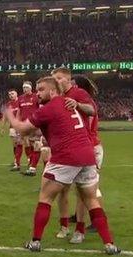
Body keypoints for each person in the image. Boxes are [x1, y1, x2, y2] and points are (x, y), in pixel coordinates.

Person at [5, 77, 120, 255]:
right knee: (91, 200)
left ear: (52, 91)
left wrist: (10, 115)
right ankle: (109, 244)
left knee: (45, 197)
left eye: (41, 89)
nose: (37, 93)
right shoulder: (68, 103)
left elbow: (22, 129)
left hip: (66, 156)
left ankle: (35, 241)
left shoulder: (49, 107)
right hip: (87, 155)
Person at [51, 68, 97, 239]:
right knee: (61, 190)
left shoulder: (78, 92)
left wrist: (77, 104)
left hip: (81, 147)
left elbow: (92, 110)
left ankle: (80, 230)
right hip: (63, 148)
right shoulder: (56, 96)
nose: (56, 81)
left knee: (82, 192)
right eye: (54, 79)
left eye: (59, 78)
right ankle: (64, 227)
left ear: (68, 80)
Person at [68, 74, 104, 243]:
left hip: (91, 147)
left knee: (90, 189)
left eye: (74, 85)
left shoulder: (85, 104)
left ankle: (97, 220)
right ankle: (79, 215)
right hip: (89, 146)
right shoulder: (85, 102)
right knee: (82, 189)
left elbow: (87, 127)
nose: (72, 88)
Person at [16, 81, 40, 176]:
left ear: (30, 88)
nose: (24, 89)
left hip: (34, 124)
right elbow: (19, 111)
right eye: (23, 87)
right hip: (24, 125)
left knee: (35, 144)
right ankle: (28, 162)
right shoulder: (20, 98)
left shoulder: (36, 97)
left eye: (26, 87)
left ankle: (32, 166)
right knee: (24, 143)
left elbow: (40, 109)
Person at [0, 89, 22, 171]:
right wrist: (2, 128)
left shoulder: (21, 102)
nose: (11, 95)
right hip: (12, 127)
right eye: (9, 94)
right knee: (15, 144)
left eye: (12, 93)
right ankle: (16, 160)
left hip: (21, 126)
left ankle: (30, 160)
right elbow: (5, 117)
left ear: (16, 94)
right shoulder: (8, 104)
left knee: (27, 143)